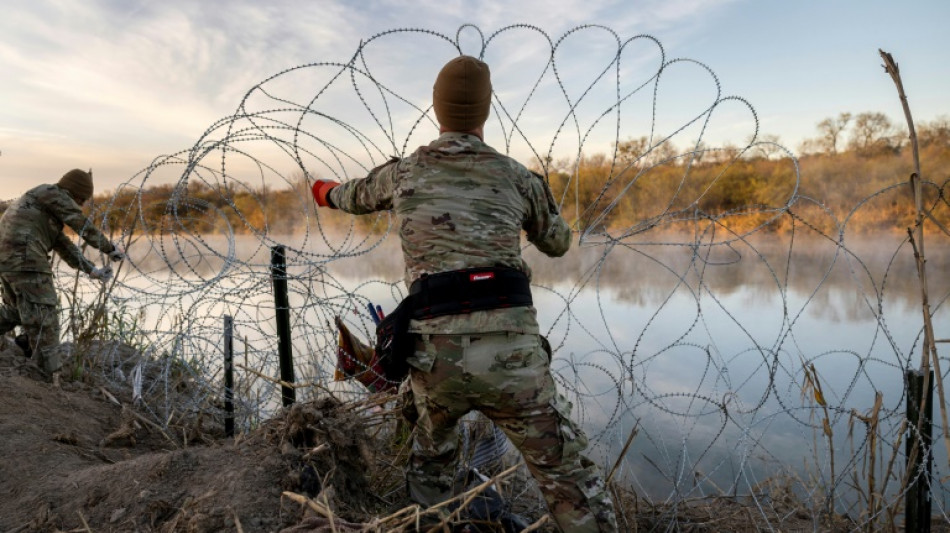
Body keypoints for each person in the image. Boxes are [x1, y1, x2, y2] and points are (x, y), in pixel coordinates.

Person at [312, 56, 617, 532]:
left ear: (437, 110)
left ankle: (433, 524)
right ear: (486, 111)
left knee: (431, 466)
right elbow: (557, 244)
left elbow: (350, 196)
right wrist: (543, 206)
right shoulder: (518, 177)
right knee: (566, 477)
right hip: (513, 360)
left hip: (437, 360)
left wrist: (322, 190)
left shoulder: (404, 174)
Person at [0, 169, 124, 382]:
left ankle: (29, 344)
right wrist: (109, 247)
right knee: (46, 316)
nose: (82, 205)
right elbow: (80, 224)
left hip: (8, 260)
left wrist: (91, 270)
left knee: (16, 311)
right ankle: (50, 374)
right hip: (27, 259)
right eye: (82, 199)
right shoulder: (53, 193)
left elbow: (63, 244)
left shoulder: (41, 205)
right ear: (74, 193)